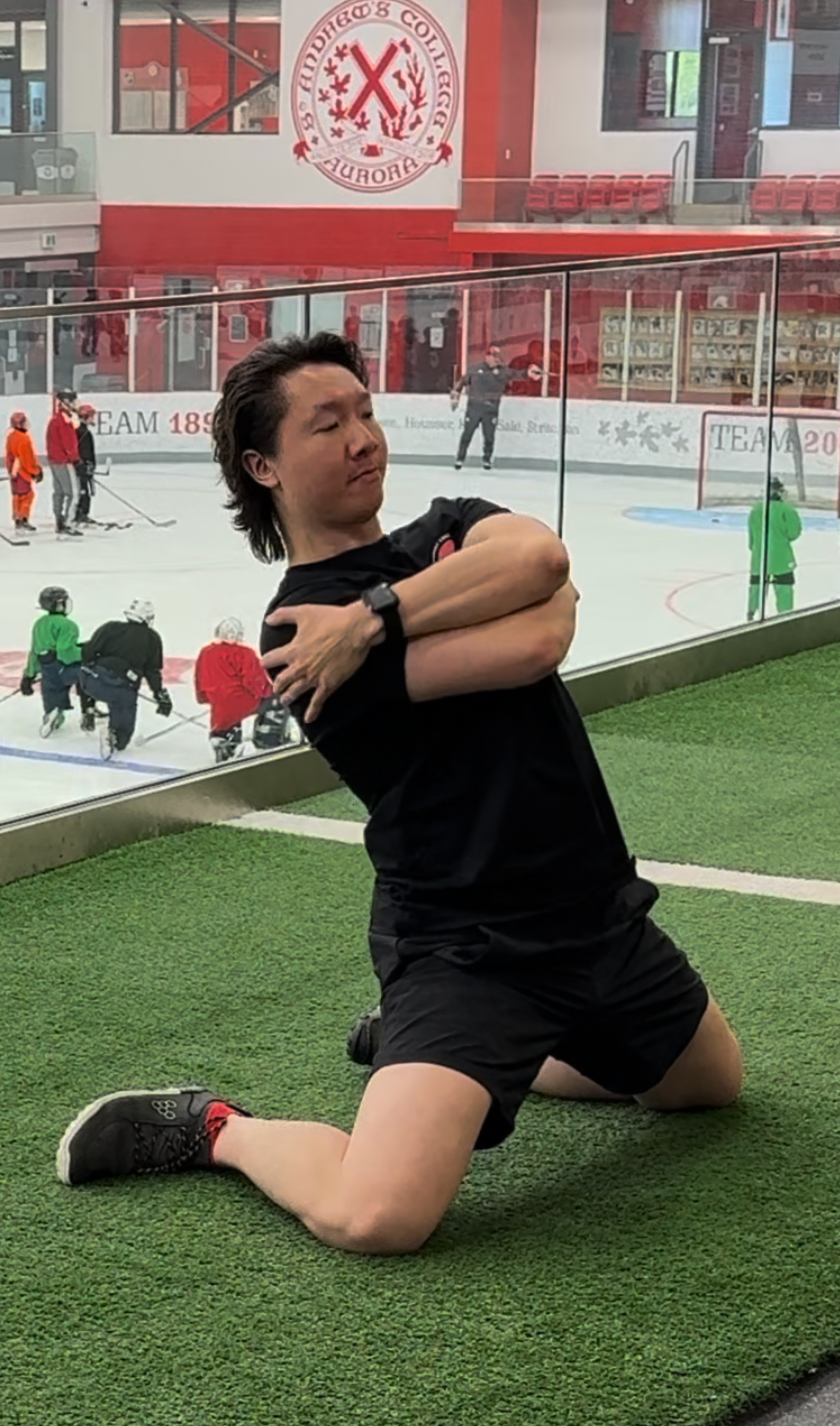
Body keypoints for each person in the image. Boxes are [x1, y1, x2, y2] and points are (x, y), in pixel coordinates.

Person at [57, 334, 743, 1258]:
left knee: (707, 1086)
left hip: (596, 911)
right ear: (263, 465)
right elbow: (537, 639)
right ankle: (218, 1128)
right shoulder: (298, 635)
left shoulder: (443, 527)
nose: (363, 437)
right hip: (472, 946)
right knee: (376, 1217)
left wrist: (378, 617)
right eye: (327, 423)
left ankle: (438, 1064)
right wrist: (462, 604)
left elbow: (543, 566)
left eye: (367, 411)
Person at [78, 600, 172, 757]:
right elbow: (152, 671)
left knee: (85, 672)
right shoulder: (152, 638)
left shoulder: (110, 627)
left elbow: (88, 653)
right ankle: (115, 736)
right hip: (121, 689)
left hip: (92, 682)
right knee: (124, 714)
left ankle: (88, 709)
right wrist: (159, 694)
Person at [193, 616, 284, 764]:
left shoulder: (206, 652)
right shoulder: (245, 653)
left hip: (217, 698)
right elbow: (253, 680)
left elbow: (200, 676)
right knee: (276, 702)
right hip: (241, 698)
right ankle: (267, 739)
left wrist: (203, 696)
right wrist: (270, 693)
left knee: (226, 717)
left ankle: (224, 738)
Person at [451, 343, 541, 471]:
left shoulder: (503, 372)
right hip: (474, 409)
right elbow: (461, 383)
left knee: (489, 436)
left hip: (491, 410)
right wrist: (455, 395)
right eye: (492, 356)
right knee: (467, 434)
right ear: (487, 356)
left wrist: (530, 373)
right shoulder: (475, 370)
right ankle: (460, 458)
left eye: (497, 356)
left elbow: (518, 374)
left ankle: (487, 459)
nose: (494, 359)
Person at [19, 586, 83, 738]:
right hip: (64, 669)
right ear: (60, 604)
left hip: (47, 670)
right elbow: (66, 653)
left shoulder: (40, 624)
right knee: (87, 675)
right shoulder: (68, 625)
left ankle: (53, 714)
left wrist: (29, 675)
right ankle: (89, 711)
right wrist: (86, 653)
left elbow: (35, 651)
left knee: (52, 692)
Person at [747, 476, 803, 621]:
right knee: (784, 588)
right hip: (781, 558)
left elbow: (751, 536)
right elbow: (794, 533)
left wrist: (755, 548)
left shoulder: (756, 509)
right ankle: (785, 617)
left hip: (759, 558)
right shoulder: (787, 509)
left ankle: (751, 613)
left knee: (756, 586)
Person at [45, 389, 82, 537]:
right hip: (64, 461)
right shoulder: (63, 422)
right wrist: (76, 460)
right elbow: (69, 444)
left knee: (59, 492)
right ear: (66, 403)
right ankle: (67, 522)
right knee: (73, 493)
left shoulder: (56, 420)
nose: (76, 404)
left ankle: (59, 520)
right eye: (73, 401)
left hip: (55, 461)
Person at [5, 410, 42, 534]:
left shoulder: (11, 436)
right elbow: (27, 458)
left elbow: (8, 455)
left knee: (17, 496)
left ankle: (17, 518)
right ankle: (23, 519)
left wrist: (10, 471)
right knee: (27, 495)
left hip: (14, 472)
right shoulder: (24, 439)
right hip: (22, 472)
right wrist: (35, 470)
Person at [73, 404, 98, 526]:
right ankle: (82, 514)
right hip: (82, 467)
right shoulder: (83, 433)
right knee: (84, 491)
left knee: (83, 490)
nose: (93, 419)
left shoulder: (81, 432)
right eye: (91, 416)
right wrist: (88, 464)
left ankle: (80, 513)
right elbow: (85, 451)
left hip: (82, 466)